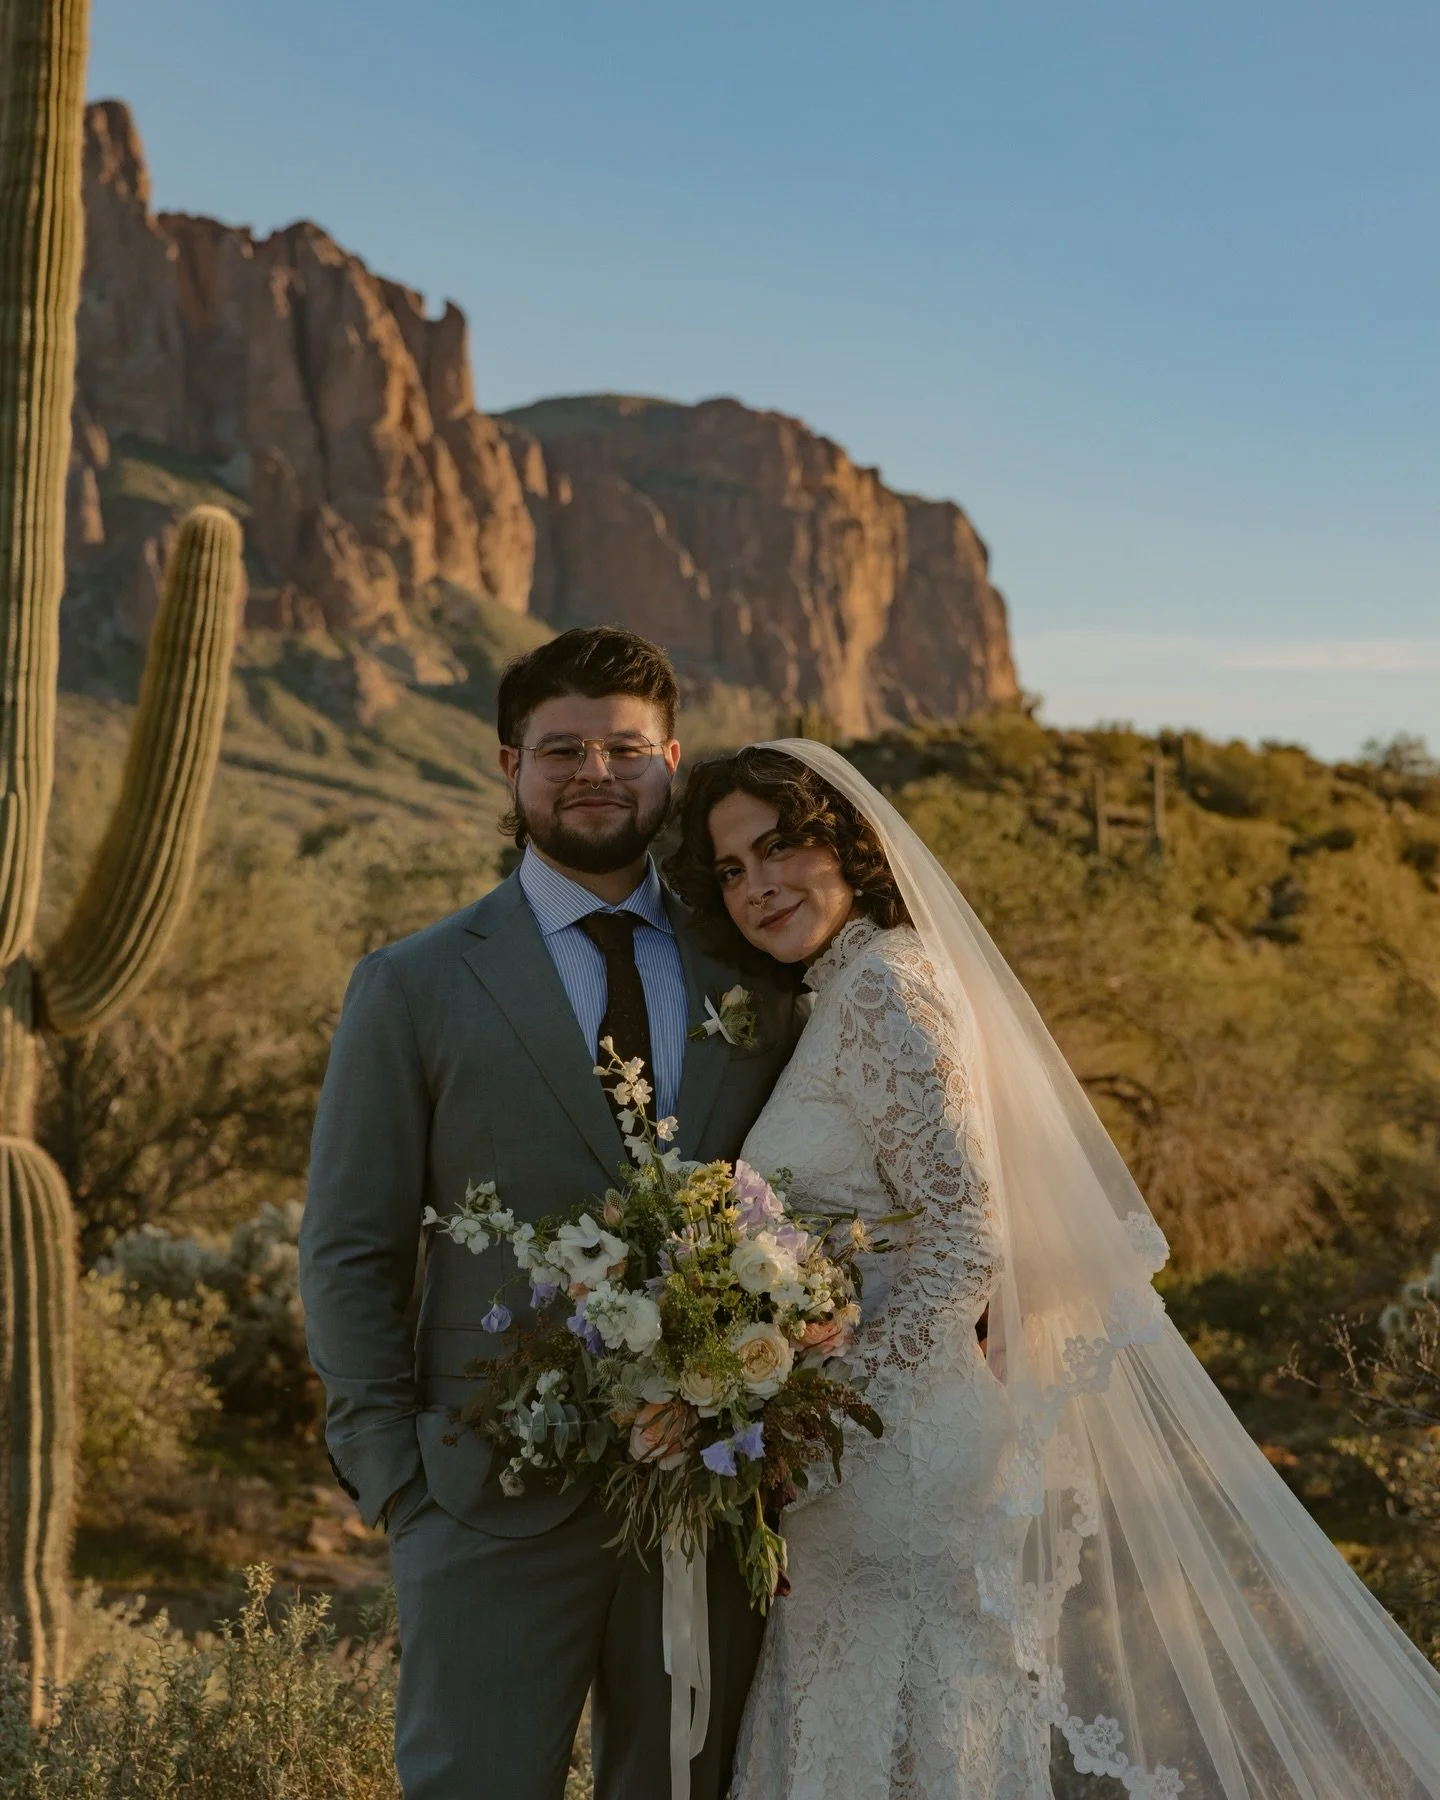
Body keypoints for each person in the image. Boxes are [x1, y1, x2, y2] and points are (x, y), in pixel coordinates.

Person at [667, 738, 1440, 1800]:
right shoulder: (843, 991)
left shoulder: (892, 985)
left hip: (890, 1453)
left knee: (894, 1721)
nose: (758, 885)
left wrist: (819, 1414)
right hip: (865, 1449)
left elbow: (969, 1236)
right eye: (732, 869)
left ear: (848, 843)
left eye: (780, 848)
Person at [298, 629, 797, 1800]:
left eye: (625, 747)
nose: (595, 772)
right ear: (509, 766)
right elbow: (351, 1242)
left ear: (672, 762)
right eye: (562, 747)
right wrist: (393, 1475)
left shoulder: (758, 972)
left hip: (711, 1497)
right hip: (482, 1497)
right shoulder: (414, 983)